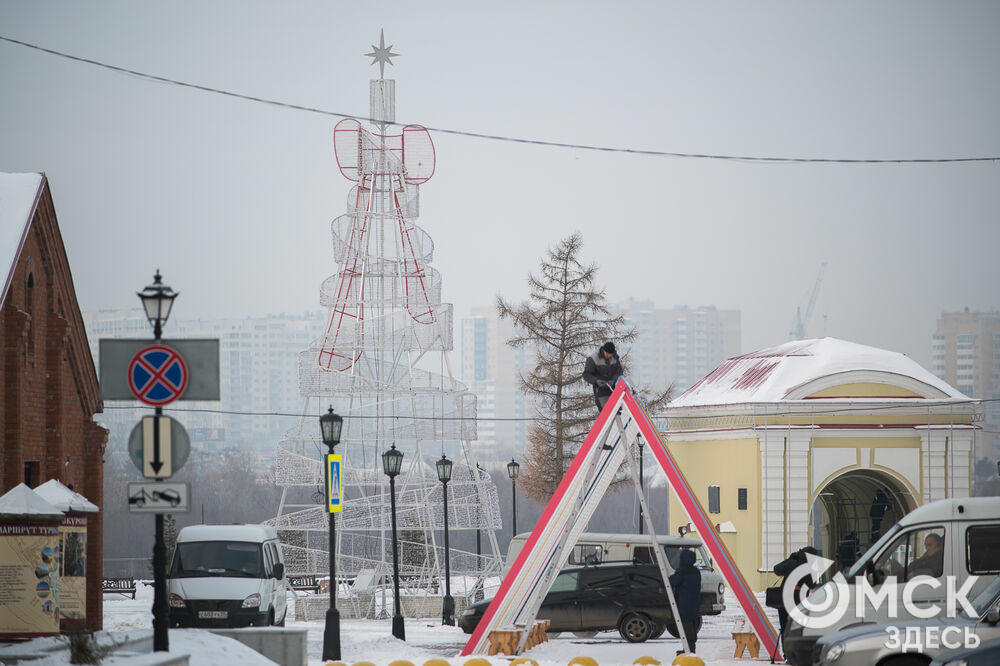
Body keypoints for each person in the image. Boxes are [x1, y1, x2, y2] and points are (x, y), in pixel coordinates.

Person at [773, 546, 819, 637]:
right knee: (797, 629)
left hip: (783, 603)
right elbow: (812, 584)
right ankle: (793, 648)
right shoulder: (807, 568)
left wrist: (790, 560)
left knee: (784, 628)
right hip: (799, 603)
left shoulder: (791, 563)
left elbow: (776, 569)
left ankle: (785, 648)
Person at [669, 549, 702, 654]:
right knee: (692, 625)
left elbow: (673, 582)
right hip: (695, 602)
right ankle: (691, 647)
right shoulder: (696, 572)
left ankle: (689, 649)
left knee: (686, 626)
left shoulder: (681, 572)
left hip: (684, 603)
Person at [583, 341, 623, 411]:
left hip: (614, 388)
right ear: (603, 350)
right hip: (600, 391)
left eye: (610, 354)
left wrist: (613, 380)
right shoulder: (593, 358)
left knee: (618, 410)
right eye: (607, 354)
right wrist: (596, 381)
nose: (609, 356)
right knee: (606, 412)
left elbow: (619, 370)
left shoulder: (615, 357)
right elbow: (586, 374)